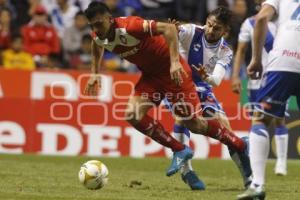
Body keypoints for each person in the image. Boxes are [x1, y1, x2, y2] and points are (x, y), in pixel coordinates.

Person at [83, 2, 250, 180]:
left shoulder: (130, 26)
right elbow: (96, 42)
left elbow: (169, 29)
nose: (96, 29)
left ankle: (238, 144)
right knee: (132, 114)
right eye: (92, 25)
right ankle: (180, 150)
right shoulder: (99, 34)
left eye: (99, 24)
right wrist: (94, 73)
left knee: (195, 124)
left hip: (174, 73)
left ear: (110, 19)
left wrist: (175, 62)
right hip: (151, 75)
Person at [164, 6, 252, 190]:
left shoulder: (225, 51)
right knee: (185, 114)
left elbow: (217, 81)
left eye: (217, 28)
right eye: (209, 24)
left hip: (203, 87)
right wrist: (172, 30)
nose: (210, 30)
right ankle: (187, 171)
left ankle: (249, 178)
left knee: (228, 131)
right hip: (178, 84)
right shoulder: (191, 31)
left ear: (226, 31)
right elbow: (169, 34)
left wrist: (206, 77)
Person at [236, 0, 300, 199]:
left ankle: (257, 185)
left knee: (261, 118)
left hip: (285, 59)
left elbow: (262, 17)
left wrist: (256, 59)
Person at [231, 1, 289, 177]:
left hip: (276, 75)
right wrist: (235, 76)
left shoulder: (284, 22)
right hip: (255, 79)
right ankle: (257, 166)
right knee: (257, 121)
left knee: (279, 119)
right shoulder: (250, 23)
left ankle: (281, 162)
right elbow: (240, 50)